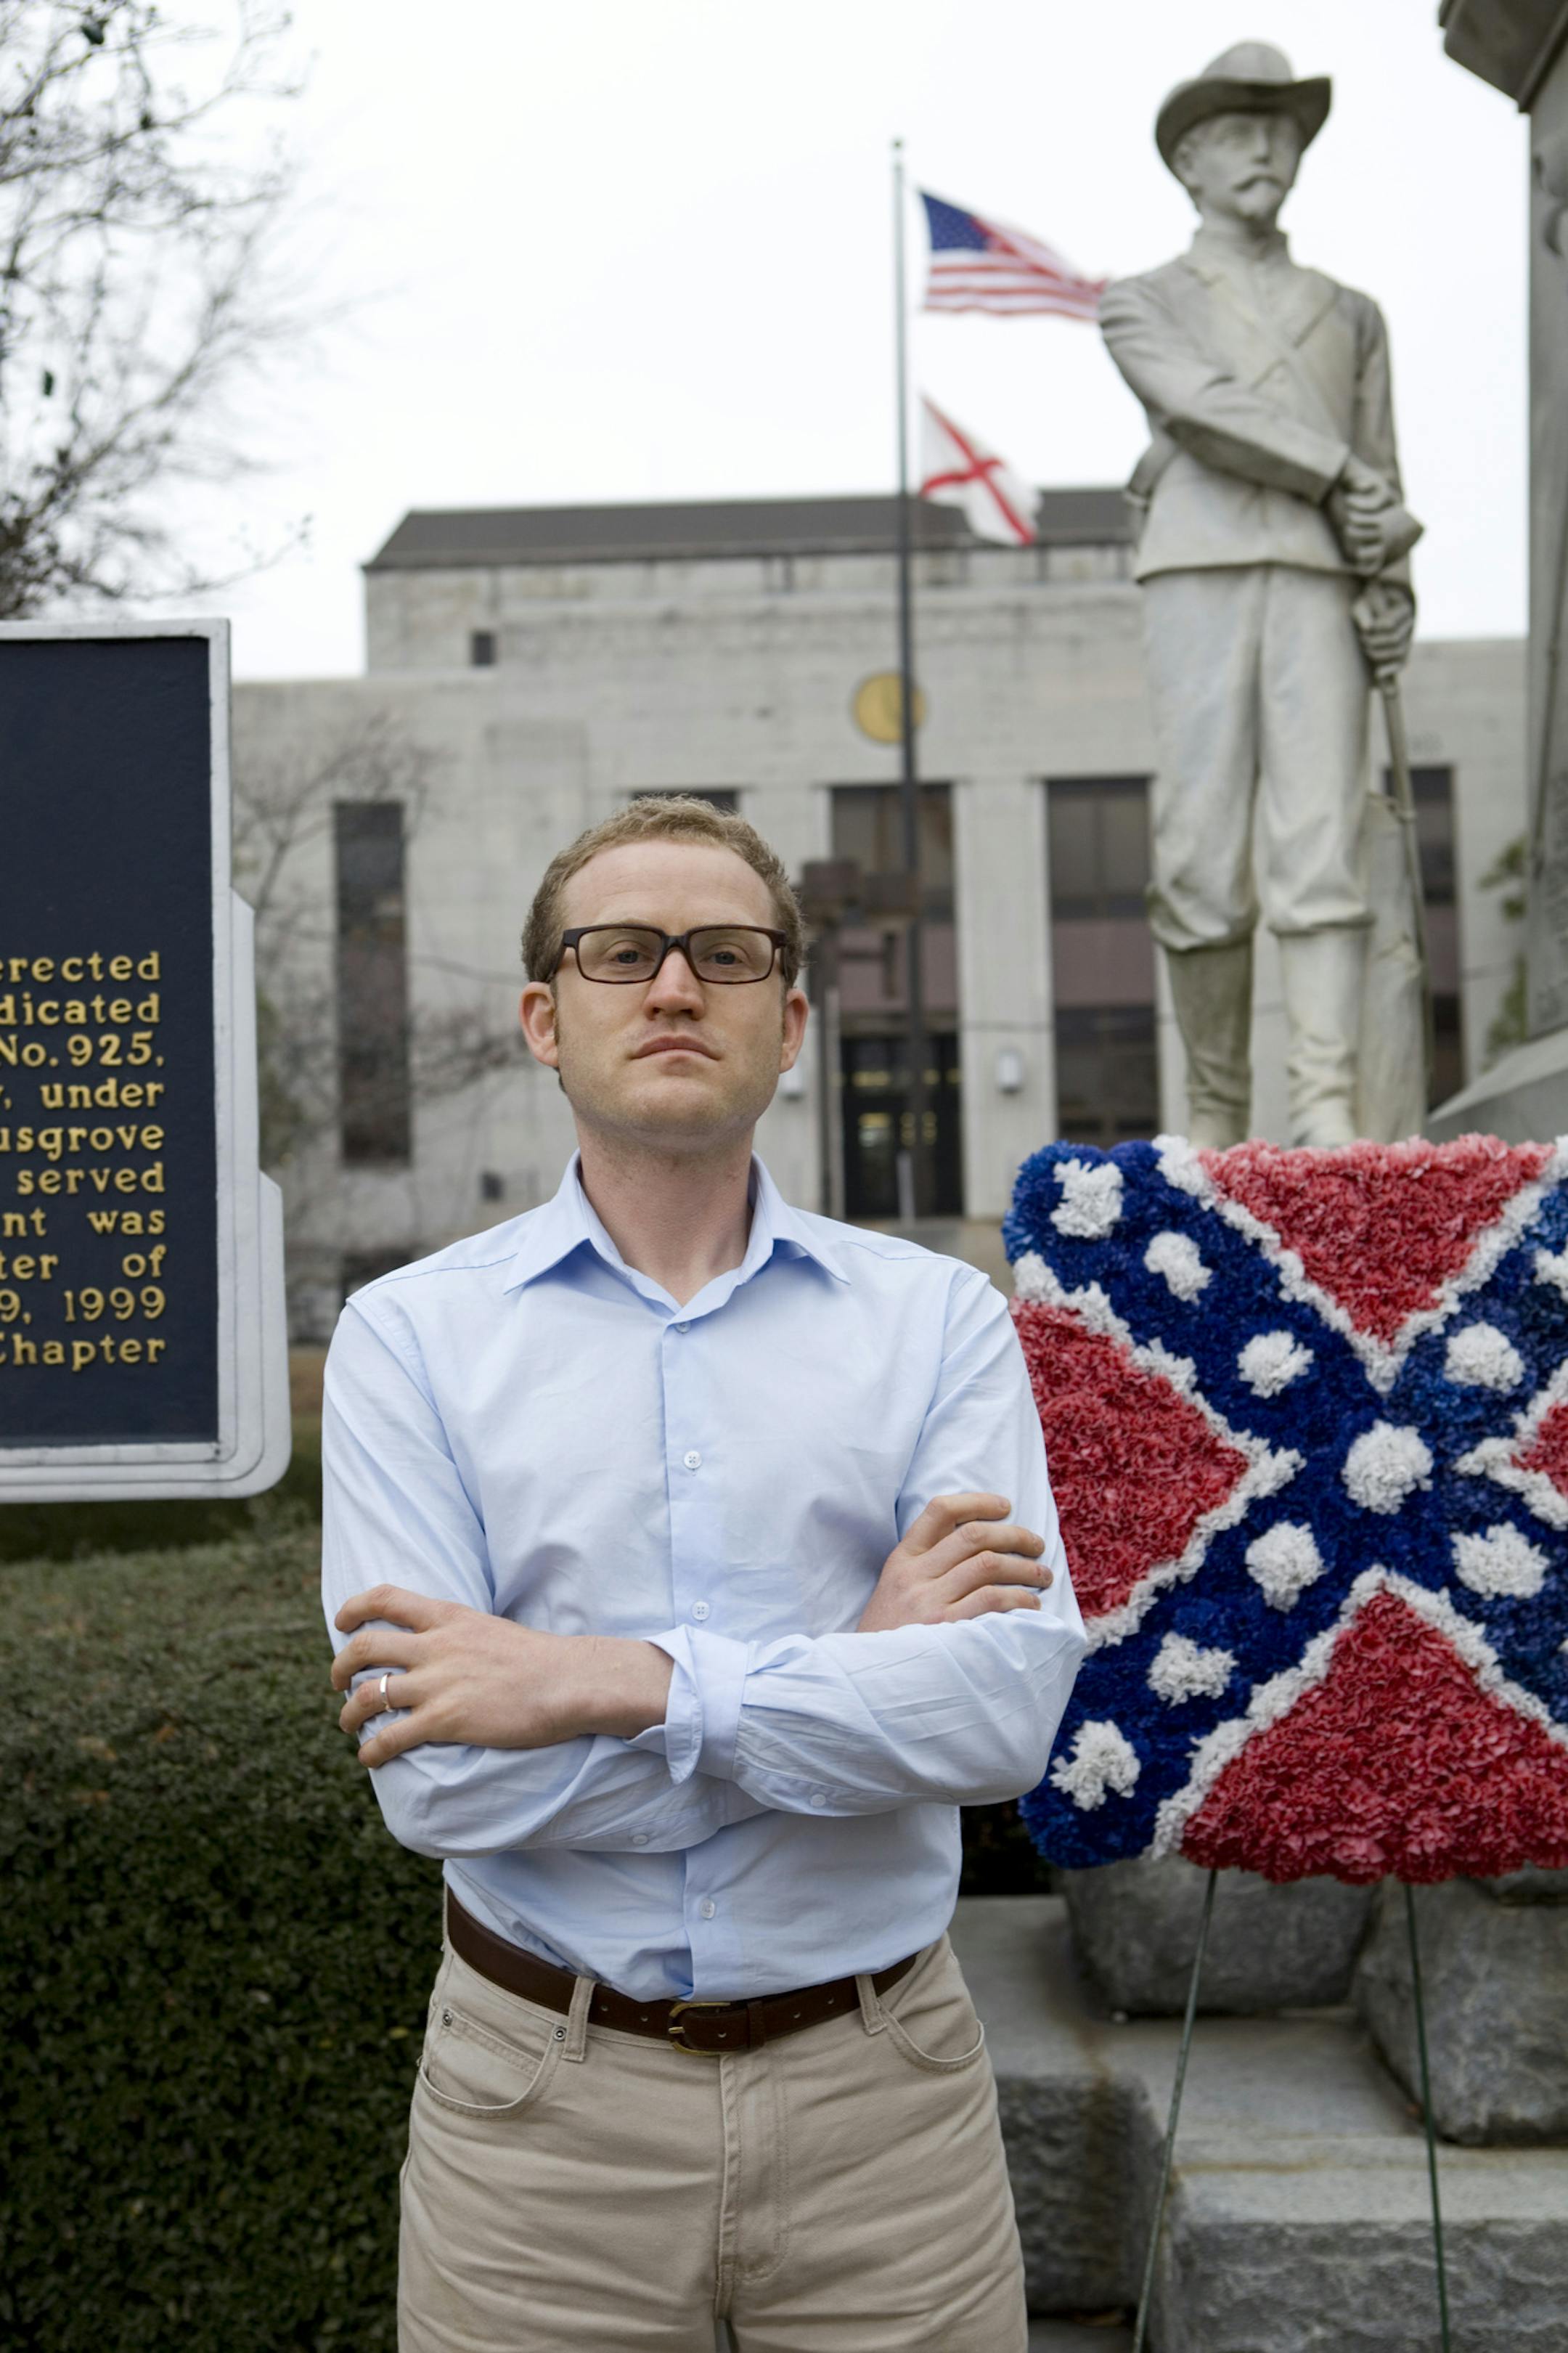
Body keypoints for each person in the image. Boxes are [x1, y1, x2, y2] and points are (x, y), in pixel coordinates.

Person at [321, 795, 1086, 2352]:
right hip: (538, 2122)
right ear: (547, 1015)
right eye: (622, 951)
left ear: (790, 1019)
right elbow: (441, 1789)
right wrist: (853, 1676)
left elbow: (1002, 1722)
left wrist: (604, 1681)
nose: (675, 986)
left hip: (888, 2110)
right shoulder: (410, 1339)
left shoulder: (939, 1321)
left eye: (725, 954)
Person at [1099, 42, 1423, 1146]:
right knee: (1196, 852)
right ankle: (1217, 1110)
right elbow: (1201, 409)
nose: (1269, 150)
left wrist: (1394, 586)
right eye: (1241, 132)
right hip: (1198, 568)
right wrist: (1340, 478)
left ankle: (1327, 1104)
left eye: (1282, 132)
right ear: (1189, 162)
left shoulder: (1353, 312)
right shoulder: (1142, 302)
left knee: (1322, 842)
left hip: (1323, 580)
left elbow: (1388, 470)